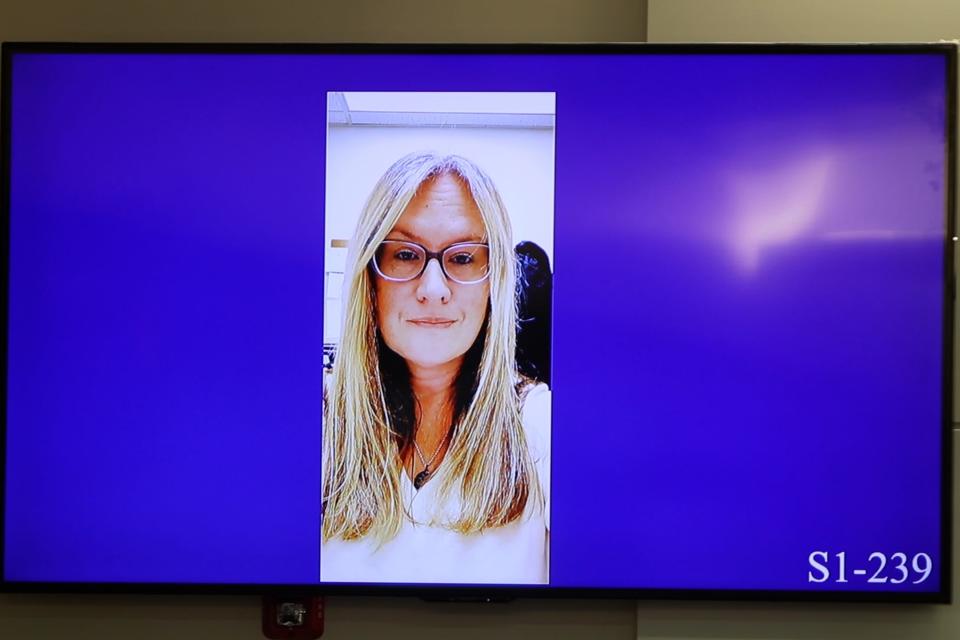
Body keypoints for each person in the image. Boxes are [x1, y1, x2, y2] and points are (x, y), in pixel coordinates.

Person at [321, 152, 550, 585]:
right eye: (405, 254)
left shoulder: (540, 423)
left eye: (463, 258)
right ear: (369, 279)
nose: (433, 289)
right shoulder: (314, 423)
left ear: (494, 281)